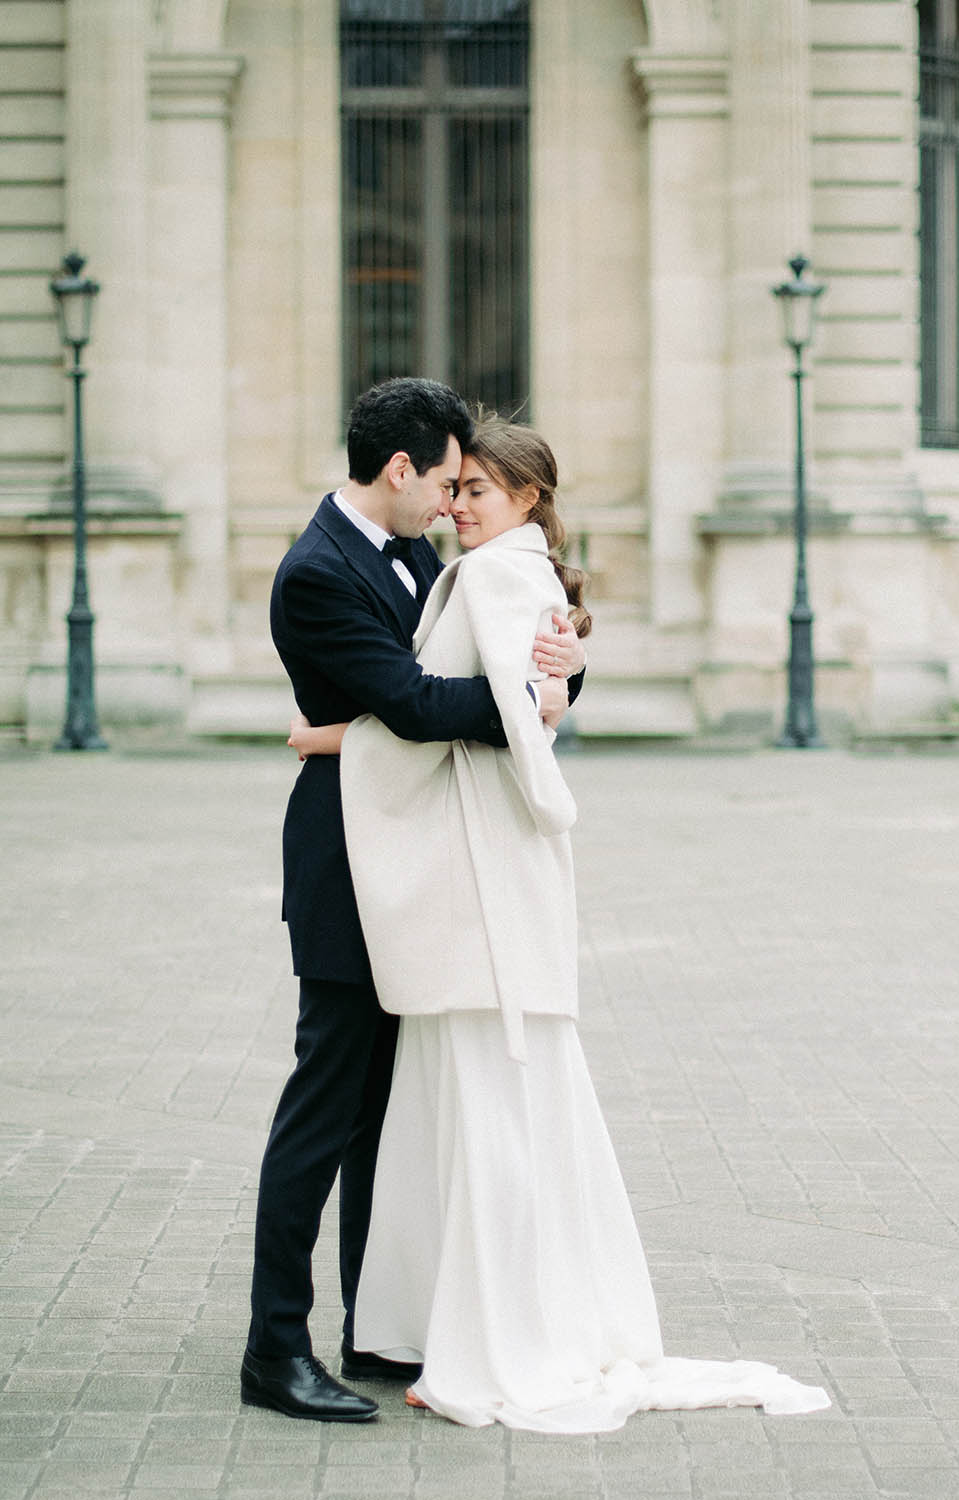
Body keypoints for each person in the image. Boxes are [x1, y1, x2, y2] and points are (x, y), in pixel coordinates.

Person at [290, 417, 831, 1433]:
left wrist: (332, 734)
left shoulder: (496, 575)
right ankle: (470, 1320)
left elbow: (494, 725)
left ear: (527, 499)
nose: (455, 508)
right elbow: (510, 700)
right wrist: (548, 683)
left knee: (483, 1105)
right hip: (481, 878)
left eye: (478, 492)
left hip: (484, 885)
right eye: (454, 491)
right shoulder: (490, 568)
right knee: (487, 1103)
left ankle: (491, 1335)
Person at [242, 380, 586, 1424]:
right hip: (349, 866)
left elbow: (487, 660)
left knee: (385, 1119)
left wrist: (566, 664)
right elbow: (420, 702)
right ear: (400, 469)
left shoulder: (407, 554)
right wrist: (529, 705)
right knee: (326, 1104)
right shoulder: (318, 573)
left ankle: (374, 1329)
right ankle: (273, 1350)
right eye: (444, 481)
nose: (450, 504)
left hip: (412, 856)